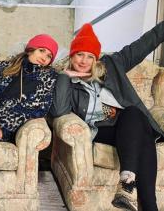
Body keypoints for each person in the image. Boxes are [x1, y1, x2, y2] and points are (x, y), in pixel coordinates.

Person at [50, 22, 164, 211]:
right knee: (140, 127)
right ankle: (140, 197)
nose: (84, 61)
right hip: (102, 129)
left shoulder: (113, 64)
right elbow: (59, 111)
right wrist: (65, 75)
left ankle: (131, 190)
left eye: (90, 56)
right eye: (79, 54)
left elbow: (145, 43)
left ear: (96, 59)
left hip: (128, 123)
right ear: (72, 56)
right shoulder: (67, 81)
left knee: (135, 118)